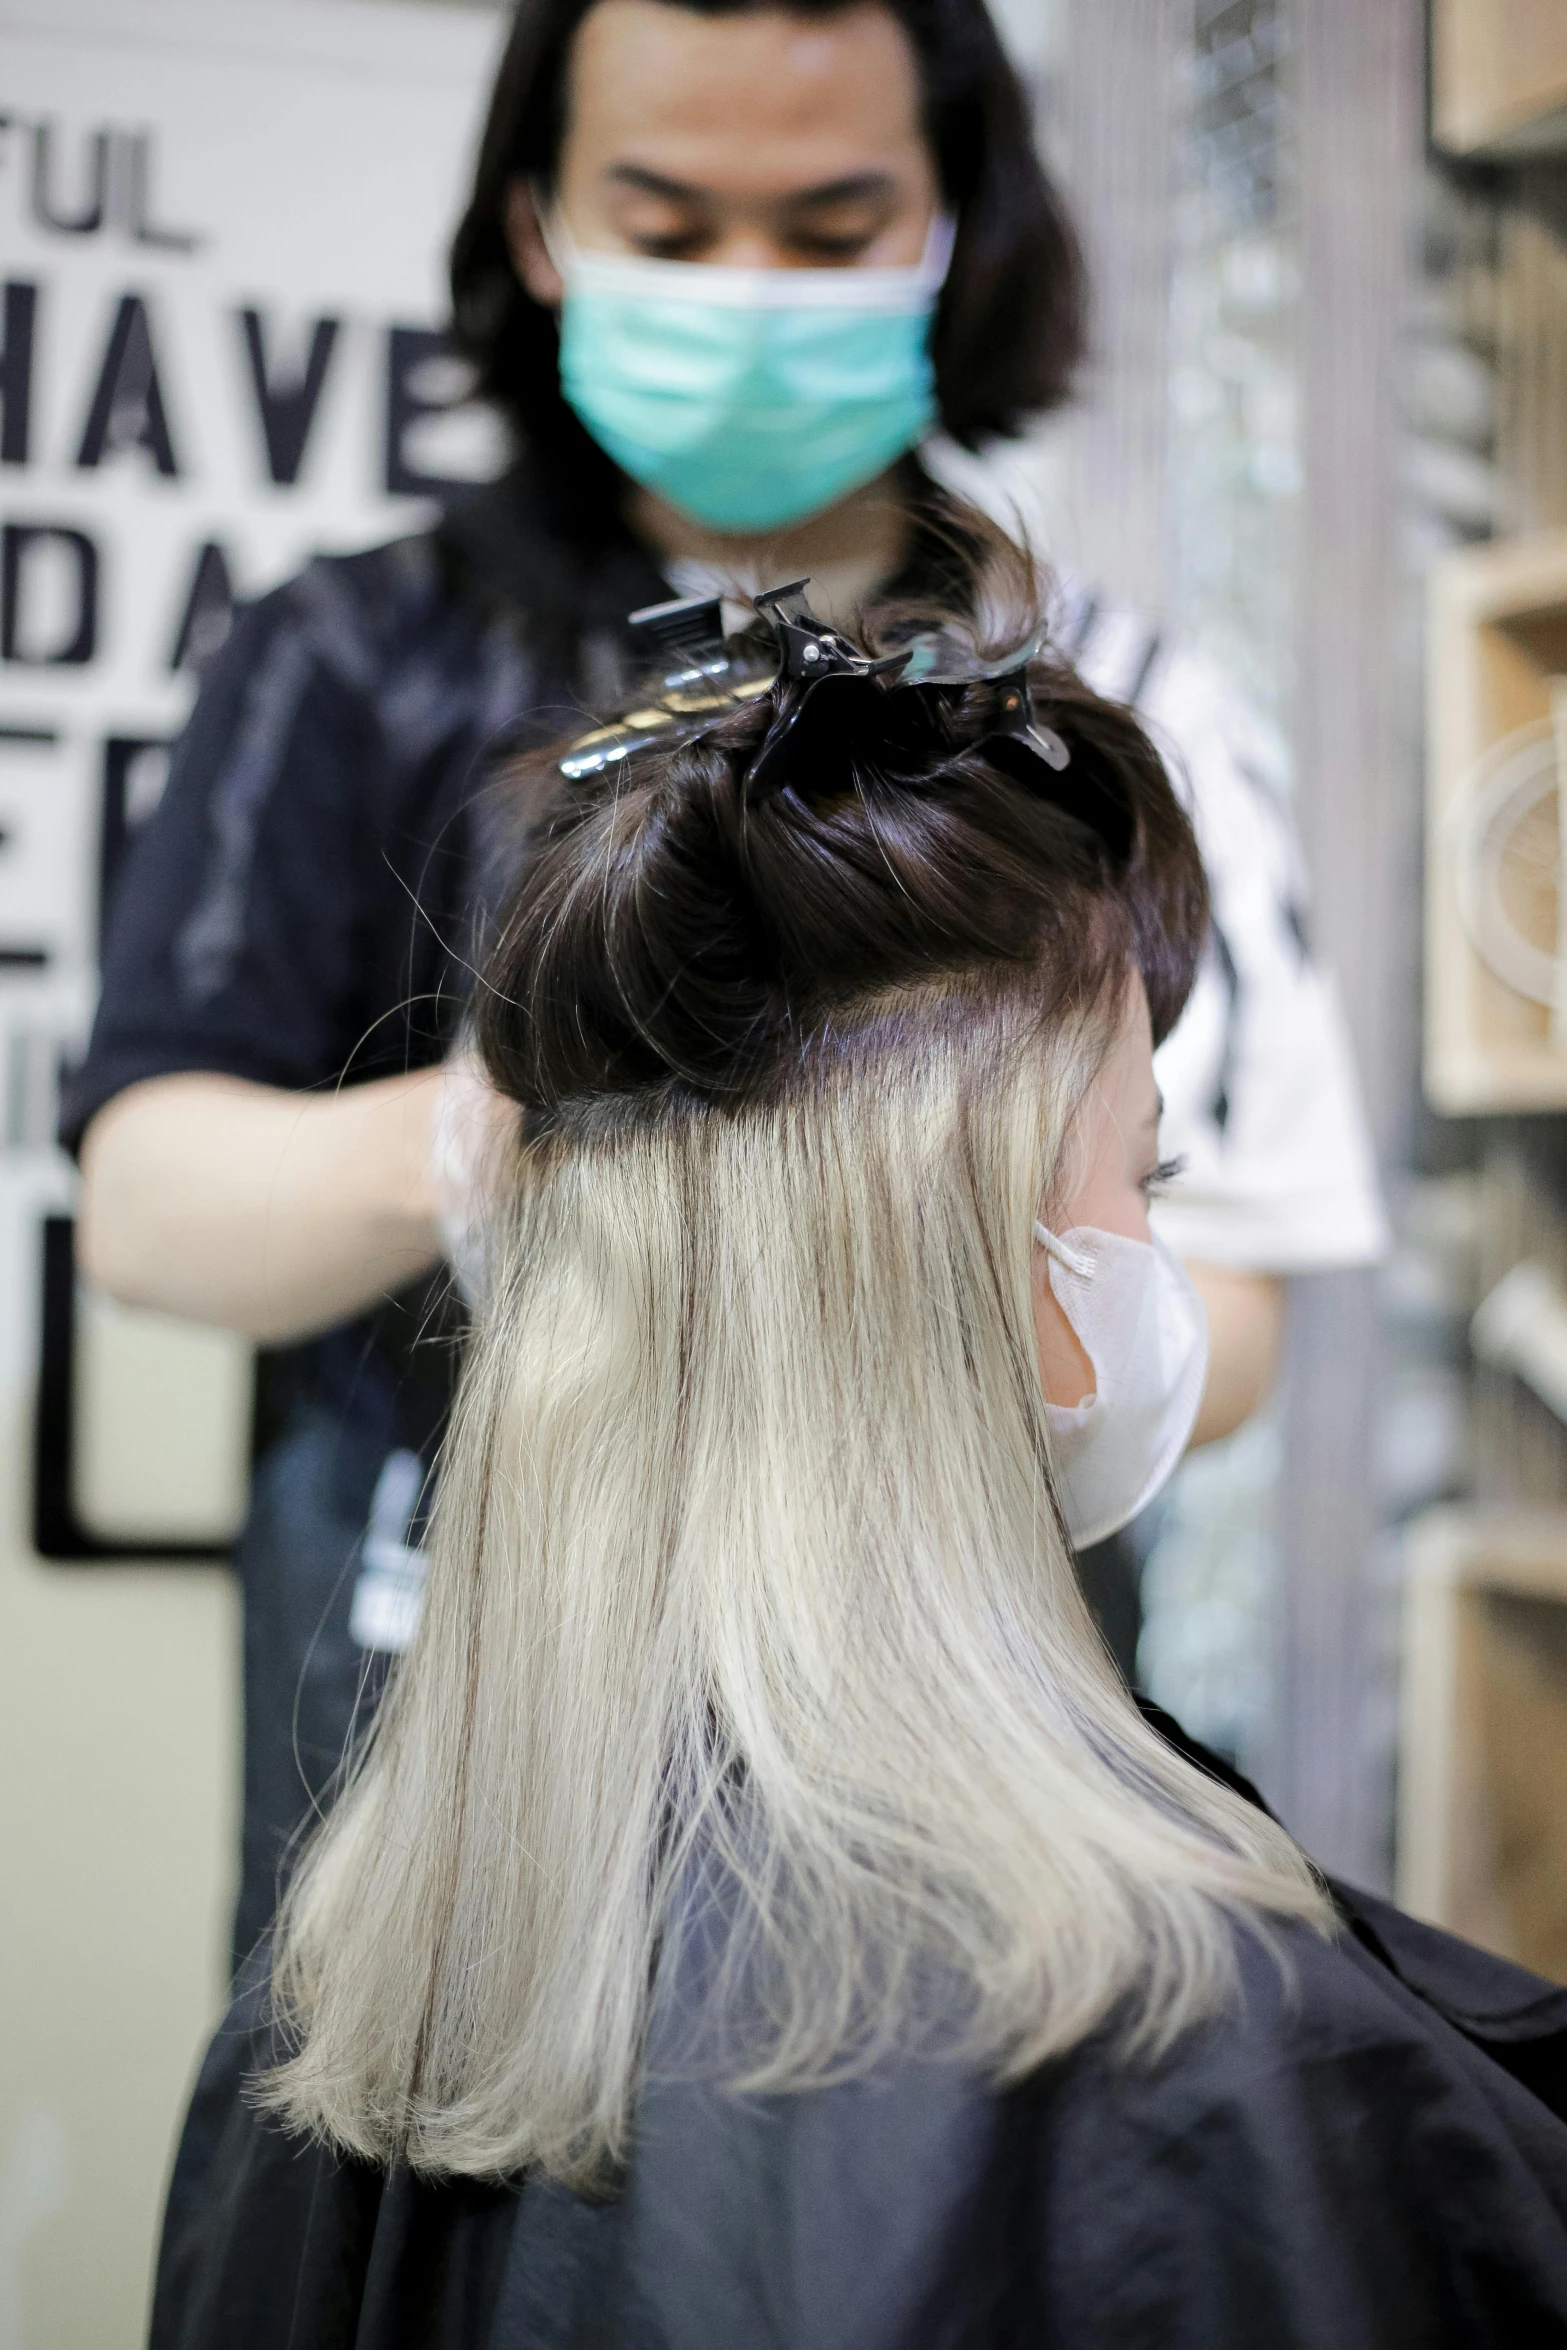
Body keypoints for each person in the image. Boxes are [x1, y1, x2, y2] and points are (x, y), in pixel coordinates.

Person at [63, 0, 1380, 1967]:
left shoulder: (1122, 715)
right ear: (539, 226)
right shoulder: (346, 663)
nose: (749, 291)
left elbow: (1240, 1305)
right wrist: (547, 1098)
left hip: (972, 1786)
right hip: (450, 1757)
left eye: (832, 228)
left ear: (957, 225)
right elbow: (155, 1199)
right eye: (670, 229)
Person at [150, 566, 1567, 2349]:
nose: (1155, 1260)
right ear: (968, 1275)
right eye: (1144, 1180)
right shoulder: (1171, 2044)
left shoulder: (341, 1988)